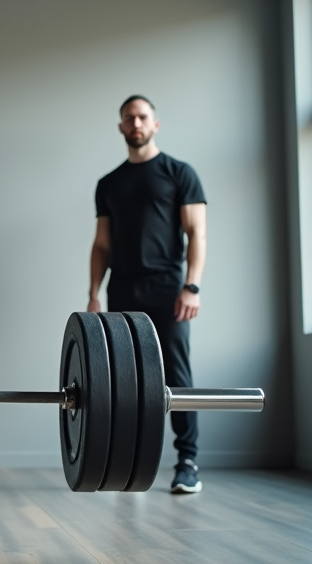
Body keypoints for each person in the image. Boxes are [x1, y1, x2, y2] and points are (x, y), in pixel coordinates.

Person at [86, 95, 207, 494]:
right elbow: (102, 244)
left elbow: (197, 233)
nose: (135, 123)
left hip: (169, 289)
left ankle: (187, 462)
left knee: (177, 376)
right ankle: (132, 465)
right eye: (128, 118)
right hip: (123, 289)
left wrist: (192, 285)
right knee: (128, 380)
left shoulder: (179, 174)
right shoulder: (109, 184)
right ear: (121, 127)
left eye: (142, 117)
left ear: (155, 124)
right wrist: (93, 295)